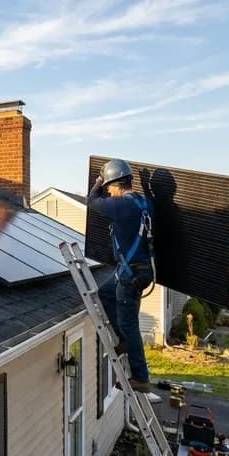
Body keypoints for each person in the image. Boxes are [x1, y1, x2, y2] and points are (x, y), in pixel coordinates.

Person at [88, 158, 161, 403]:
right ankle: (121, 340)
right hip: (137, 270)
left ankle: (140, 377)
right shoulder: (144, 202)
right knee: (104, 293)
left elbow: (92, 201)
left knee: (130, 324)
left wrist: (97, 183)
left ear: (114, 184)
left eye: (108, 186)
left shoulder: (120, 206)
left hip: (131, 274)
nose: (107, 190)